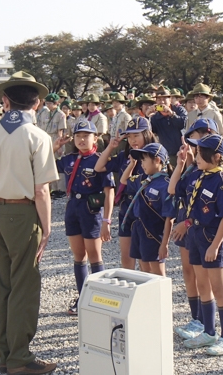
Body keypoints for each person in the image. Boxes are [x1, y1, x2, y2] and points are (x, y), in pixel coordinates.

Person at [0, 71, 58, 375]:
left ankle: (5, 352)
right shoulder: (37, 136)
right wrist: (47, 228)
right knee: (25, 284)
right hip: (24, 213)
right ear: (37, 103)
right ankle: (20, 359)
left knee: (5, 284)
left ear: (5, 101)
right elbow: (41, 190)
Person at [169, 134, 223, 356]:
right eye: (196, 153)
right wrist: (180, 164)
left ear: (217, 157)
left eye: (200, 154)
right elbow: (173, 189)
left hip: (212, 239)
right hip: (195, 237)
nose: (196, 157)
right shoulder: (196, 175)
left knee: (218, 288)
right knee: (203, 287)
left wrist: (215, 246)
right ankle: (209, 331)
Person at [52, 120, 115, 316]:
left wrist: (107, 220)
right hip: (72, 208)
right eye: (78, 136)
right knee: (79, 256)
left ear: (95, 138)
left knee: (95, 256)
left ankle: (99, 299)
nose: (81, 139)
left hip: (91, 211)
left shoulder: (100, 160)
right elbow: (45, 165)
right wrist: (55, 147)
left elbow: (109, 192)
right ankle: (83, 298)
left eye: (86, 136)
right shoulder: (69, 159)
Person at [95, 117, 156, 270]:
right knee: (126, 256)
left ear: (147, 134)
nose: (132, 140)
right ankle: (131, 290)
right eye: (129, 137)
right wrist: (110, 147)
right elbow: (99, 167)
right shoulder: (125, 156)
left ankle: (146, 291)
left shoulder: (155, 156)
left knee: (145, 258)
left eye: (137, 135)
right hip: (126, 207)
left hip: (146, 208)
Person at [120, 143, 175, 276]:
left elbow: (170, 217)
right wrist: (132, 165)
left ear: (157, 160)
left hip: (154, 232)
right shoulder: (143, 180)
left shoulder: (166, 185)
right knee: (144, 269)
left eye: (144, 159)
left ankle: (161, 297)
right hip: (140, 228)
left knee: (157, 272)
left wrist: (164, 244)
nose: (142, 163)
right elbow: (124, 180)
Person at [150, 87, 188, 167]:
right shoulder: (155, 116)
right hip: (167, 153)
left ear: (170, 99)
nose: (162, 102)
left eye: (164, 99)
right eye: (159, 100)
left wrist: (172, 114)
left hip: (182, 150)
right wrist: (147, 116)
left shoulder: (179, 110)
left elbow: (183, 124)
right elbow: (151, 131)